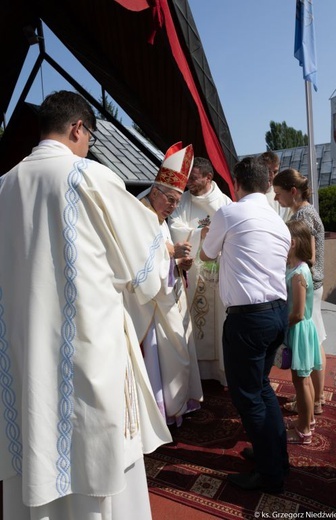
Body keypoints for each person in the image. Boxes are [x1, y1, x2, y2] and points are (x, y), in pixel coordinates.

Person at [0, 90, 173, 520]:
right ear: (78, 128)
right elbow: (143, 269)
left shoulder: (4, 184)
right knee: (95, 461)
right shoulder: (88, 176)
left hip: (22, 351)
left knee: (34, 442)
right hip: (86, 351)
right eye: (89, 136)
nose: (88, 145)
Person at [200, 156, 291, 494]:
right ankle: (276, 455)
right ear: (267, 185)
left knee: (248, 397)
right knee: (262, 389)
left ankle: (270, 475)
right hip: (276, 312)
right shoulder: (277, 221)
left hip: (249, 319)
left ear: (236, 184)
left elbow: (207, 255)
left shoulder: (230, 213)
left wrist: (208, 236)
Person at [126, 142, 204, 427]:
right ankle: (162, 413)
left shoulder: (159, 217)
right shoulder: (139, 216)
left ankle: (181, 403)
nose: (173, 207)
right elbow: (138, 266)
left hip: (170, 292)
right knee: (162, 359)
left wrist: (179, 262)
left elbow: (162, 251)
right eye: (170, 199)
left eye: (177, 200)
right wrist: (171, 255)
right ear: (155, 192)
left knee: (181, 350)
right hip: (151, 305)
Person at [169, 157, 232, 386]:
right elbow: (174, 227)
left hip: (217, 271)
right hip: (191, 270)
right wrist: (199, 234)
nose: (188, 184)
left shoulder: (224, 202)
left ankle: (219, 371)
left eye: (193, 179)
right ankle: (195, 371)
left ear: (208, 177)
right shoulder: (182, 201)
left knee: (218, 320)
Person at [273, 168, 327, 415]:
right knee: (315, 342)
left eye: (278, 193)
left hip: (307, 285)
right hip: (312, 283)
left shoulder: (303, 215)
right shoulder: (305, 211)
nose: (276, 199)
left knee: (311, 345)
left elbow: (309, 256)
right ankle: (314, 398)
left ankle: (313, 400)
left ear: (292, 192)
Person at [284, 220, 322, 444]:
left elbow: (298, 313)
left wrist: (281, 324)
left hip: (298, 329)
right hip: (301, 330)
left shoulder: (299, 272)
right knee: (302, 380)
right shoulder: (297, 267)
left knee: (301, 381)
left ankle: (304, 430)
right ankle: (306, 420)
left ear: (294, 242)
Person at [259, 151, 292, 222]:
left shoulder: (284, 194)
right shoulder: (250, 192)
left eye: (275, 172)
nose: (272, 176)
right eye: (268, 171)